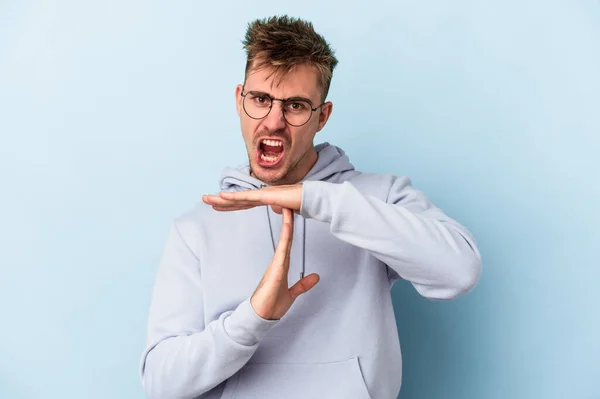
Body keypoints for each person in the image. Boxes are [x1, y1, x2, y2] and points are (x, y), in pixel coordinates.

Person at [139, 15, 482, 399]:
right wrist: (253, 319)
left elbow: (460, 271)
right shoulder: (196, 229)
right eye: (260, 99)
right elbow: (160, 384)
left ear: (323, 116)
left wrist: (315, 198)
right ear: (239, 100)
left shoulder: (376, 199)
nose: (273, 121)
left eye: (296, 105)